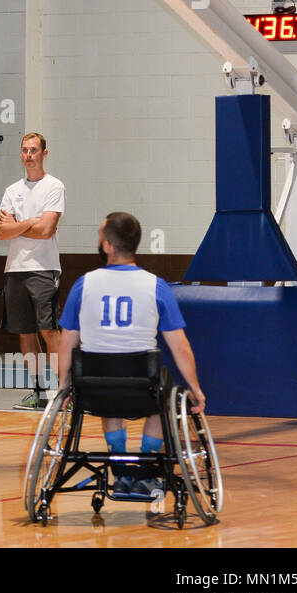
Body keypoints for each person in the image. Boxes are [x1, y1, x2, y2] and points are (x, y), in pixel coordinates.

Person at [58, 212, 206, 498]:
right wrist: (195, 388)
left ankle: (122, 469)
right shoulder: (156, 286)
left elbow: (66, 345)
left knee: (105, 381)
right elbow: (180, 347)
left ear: (108, 246)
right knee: (163, 393)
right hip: (143, 390)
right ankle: (145, 469)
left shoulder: (83, 284)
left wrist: (64, 386)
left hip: (94, 390)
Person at [0, 132, 65, 411]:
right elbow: (1, 232)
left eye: (34, 150)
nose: (29, 155)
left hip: (44, 268)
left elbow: (47, 229)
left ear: (44, 153)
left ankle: (64, 391)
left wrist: (18, 224)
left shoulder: (54, 186)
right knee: (25, 332)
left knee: (49, 330)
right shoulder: (12, 190)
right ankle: (38, 391)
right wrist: (30, 223)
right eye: (25, 150)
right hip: (15, 269)